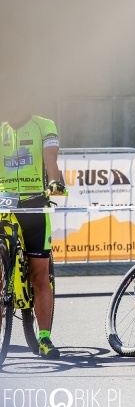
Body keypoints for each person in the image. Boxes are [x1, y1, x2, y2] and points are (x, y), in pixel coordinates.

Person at [0, 110, 67, 358]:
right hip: (3, 202)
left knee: (39, 275)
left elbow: (50, 159)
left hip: (34, 203)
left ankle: (45, 337)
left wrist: (54, 181)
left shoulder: (44, 125)